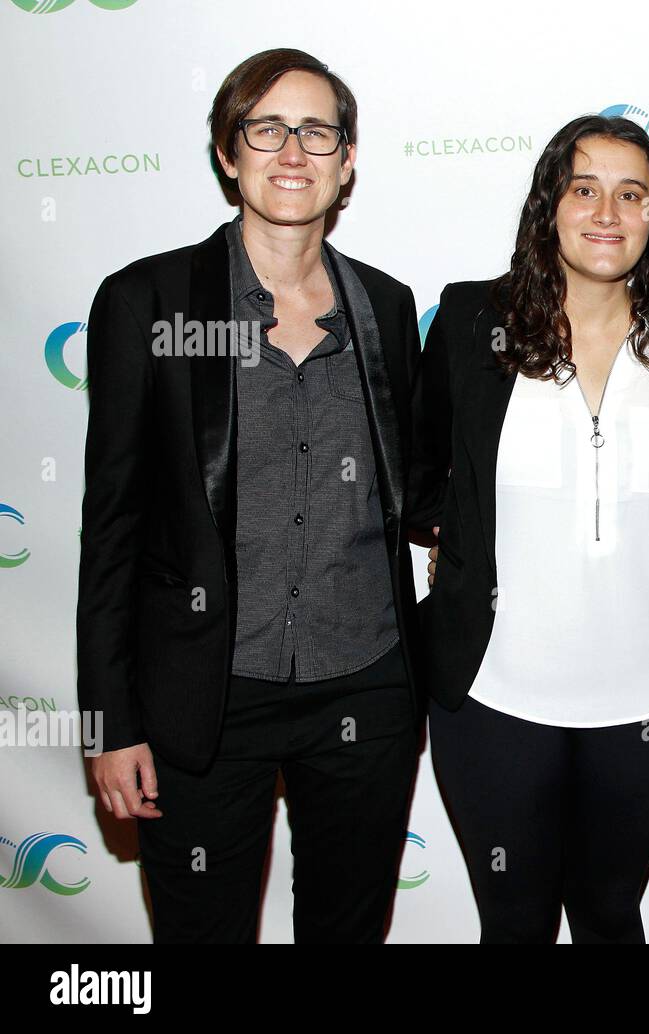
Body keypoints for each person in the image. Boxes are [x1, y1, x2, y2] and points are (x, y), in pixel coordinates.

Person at [78, 48, 426, 943]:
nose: (292, 152)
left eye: (317, 132)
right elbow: (111, 526)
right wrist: (110, 721)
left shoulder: (386, 308)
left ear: (348, 160)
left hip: (365, 687)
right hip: (204, 697)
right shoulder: (146, 302)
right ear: (229, 154)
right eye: (265, 129)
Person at [410, 114, 649, 943]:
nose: (607, 212)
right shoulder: (473, 323)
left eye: (632, 194)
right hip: (495, 696)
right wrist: (463, 542)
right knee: (513, 922)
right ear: (550, 204)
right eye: (584, 189)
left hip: (648, 699)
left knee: (611, 914)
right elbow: (418, 472)